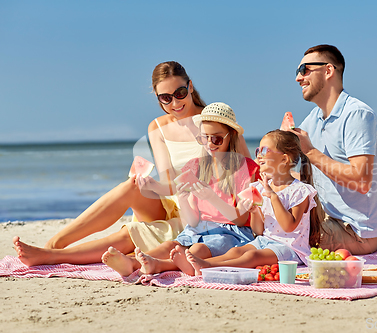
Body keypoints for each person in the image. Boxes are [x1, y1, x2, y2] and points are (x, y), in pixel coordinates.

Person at [12, 63, 251, 266]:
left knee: (131, 233)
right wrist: (151, 186)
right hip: (175, 200)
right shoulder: (157, 127)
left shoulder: (214, 121)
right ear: (158, 98)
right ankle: (55, 244)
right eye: (165, 98)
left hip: (202, 210)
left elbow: (245, 170)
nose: (175, 103)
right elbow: (169, 183)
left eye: (179, 93)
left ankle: (54, 256)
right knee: (131, 186)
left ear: (189, 87)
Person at [102, 103, 261, 276]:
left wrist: (211, 197)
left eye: (216, 139)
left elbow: (241, 219)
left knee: (197, 250)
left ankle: (156, 266)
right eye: (203, 138)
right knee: (170, 246)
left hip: (232, 233)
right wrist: (183, 199)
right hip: (199, 228)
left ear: (232, 136)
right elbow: (192, 222)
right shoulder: (196, 167)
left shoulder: (246, 168)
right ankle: (133, 263)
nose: (209, 144)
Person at [137, 130, 323, 276]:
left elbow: (288, 227)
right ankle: (186, 264)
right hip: (265, 240)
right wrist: (256, 212)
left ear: (284, 159)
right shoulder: (260, 187)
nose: (258, 155)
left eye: (264, 151)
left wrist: (272, 197)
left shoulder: (300, 191)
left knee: (251, 256)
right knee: (236, 252)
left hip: (290, 249)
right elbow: (259, 231)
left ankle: (206, 266)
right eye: (257, 150)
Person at [291, 44, 377, 255]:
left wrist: (310, 152)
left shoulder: (357, 115)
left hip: (357, 231)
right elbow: (296, 173)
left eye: (305, 70)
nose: (298, 78)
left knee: (283, 236)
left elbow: (361, 181)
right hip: (327, 219)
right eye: (297, 72)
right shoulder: (313, 119)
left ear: (328, 71)